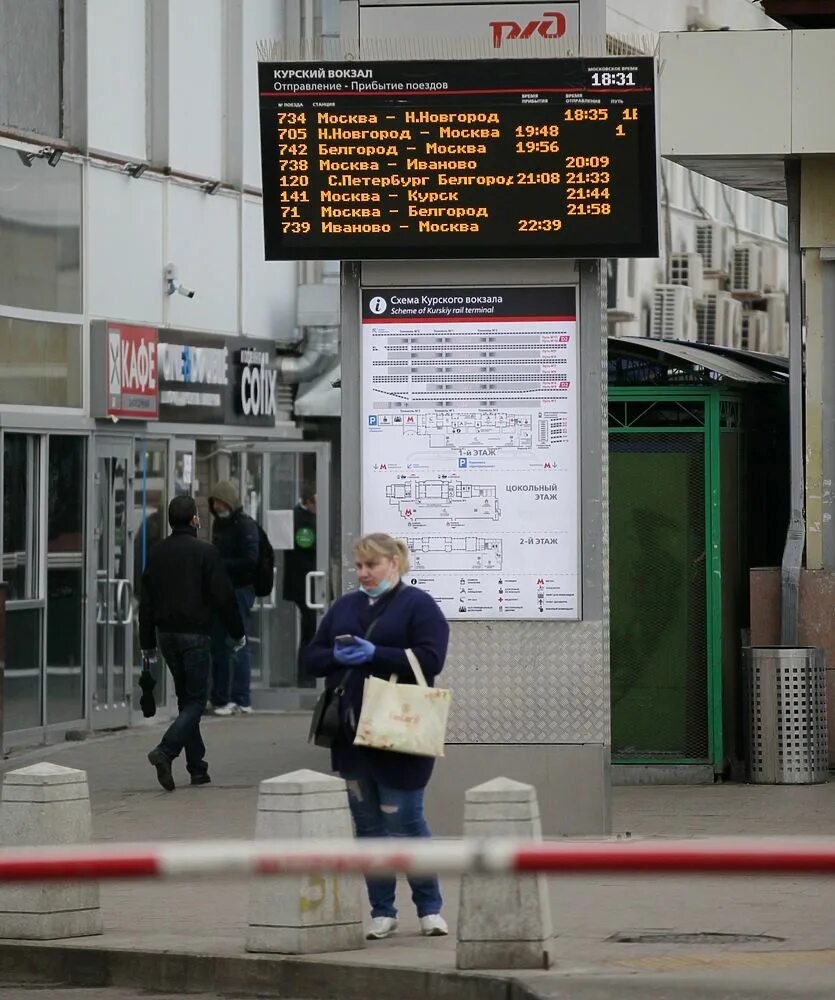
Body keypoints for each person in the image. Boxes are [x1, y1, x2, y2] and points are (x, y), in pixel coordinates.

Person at [302, 532, 450, 941]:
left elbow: (432, 657)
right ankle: (382, 911)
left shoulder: (418, 605)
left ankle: (430, 909)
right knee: (367, 827)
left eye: (372, 565)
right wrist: (335, 655)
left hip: (400, 733)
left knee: (405, 821)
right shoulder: (345, 607)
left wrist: (377, 654)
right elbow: (310, 657)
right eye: (360, 566)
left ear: (394, 564)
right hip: (351, 737)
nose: (364, 573)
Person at [139, 494, 245, 792]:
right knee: (197, 701)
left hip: (166, 636)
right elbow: (224, 597)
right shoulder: (206, 553)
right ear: (194, 519)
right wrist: (236, 632)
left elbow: (146, 602)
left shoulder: (157, 553)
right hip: (196, 635)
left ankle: (197, 768)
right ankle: (165, 750)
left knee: (187, 701)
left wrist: (146, 642)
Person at [207, 480, 260, 715]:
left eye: (220, 501)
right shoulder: (220, 524)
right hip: (223, 590)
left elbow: (251, 560)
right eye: (214, 502)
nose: (217, 506)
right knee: (220, 644)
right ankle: (222, 698)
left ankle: (240, 698)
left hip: (239, 591)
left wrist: (220, 564)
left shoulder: (244, 525)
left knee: (236, 643)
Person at [282, 487, 318, 685]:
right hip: (305, 583)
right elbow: (309, 545)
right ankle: (306, 676)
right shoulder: (300, 519)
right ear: (309, 502)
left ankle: (308, 674)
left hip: (309, 583)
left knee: (310, 629)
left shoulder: (304, 517)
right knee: (310, 629)